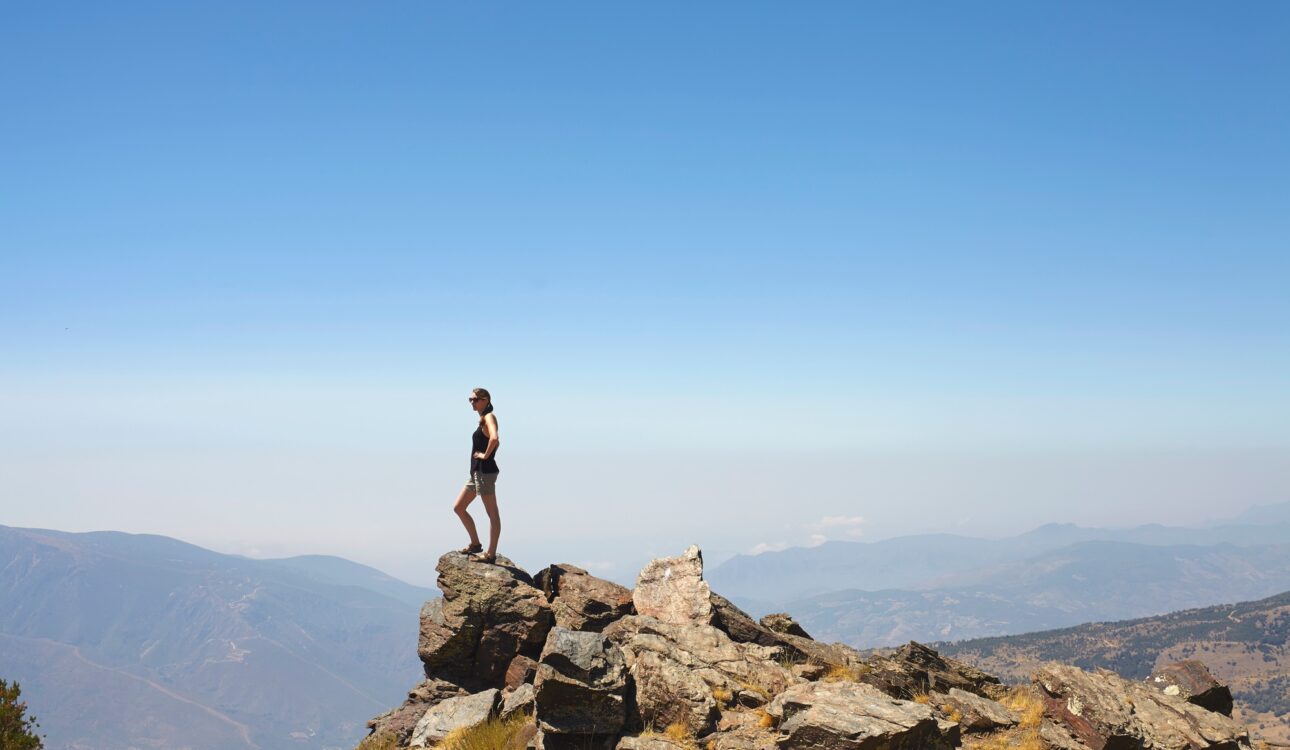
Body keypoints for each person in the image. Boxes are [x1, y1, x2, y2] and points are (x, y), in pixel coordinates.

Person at [454, 387, 501, 563]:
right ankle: (475, 544)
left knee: (492, 513)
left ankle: (490, 554)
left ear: (485, 400)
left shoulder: (489, 417)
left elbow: (494, 438)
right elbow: (496, 441)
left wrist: (485, 455)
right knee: (459, 507)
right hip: (476, 473)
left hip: (484, 473)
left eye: (475, 399)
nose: (472, 402)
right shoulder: (482, 419)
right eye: (470, 400)